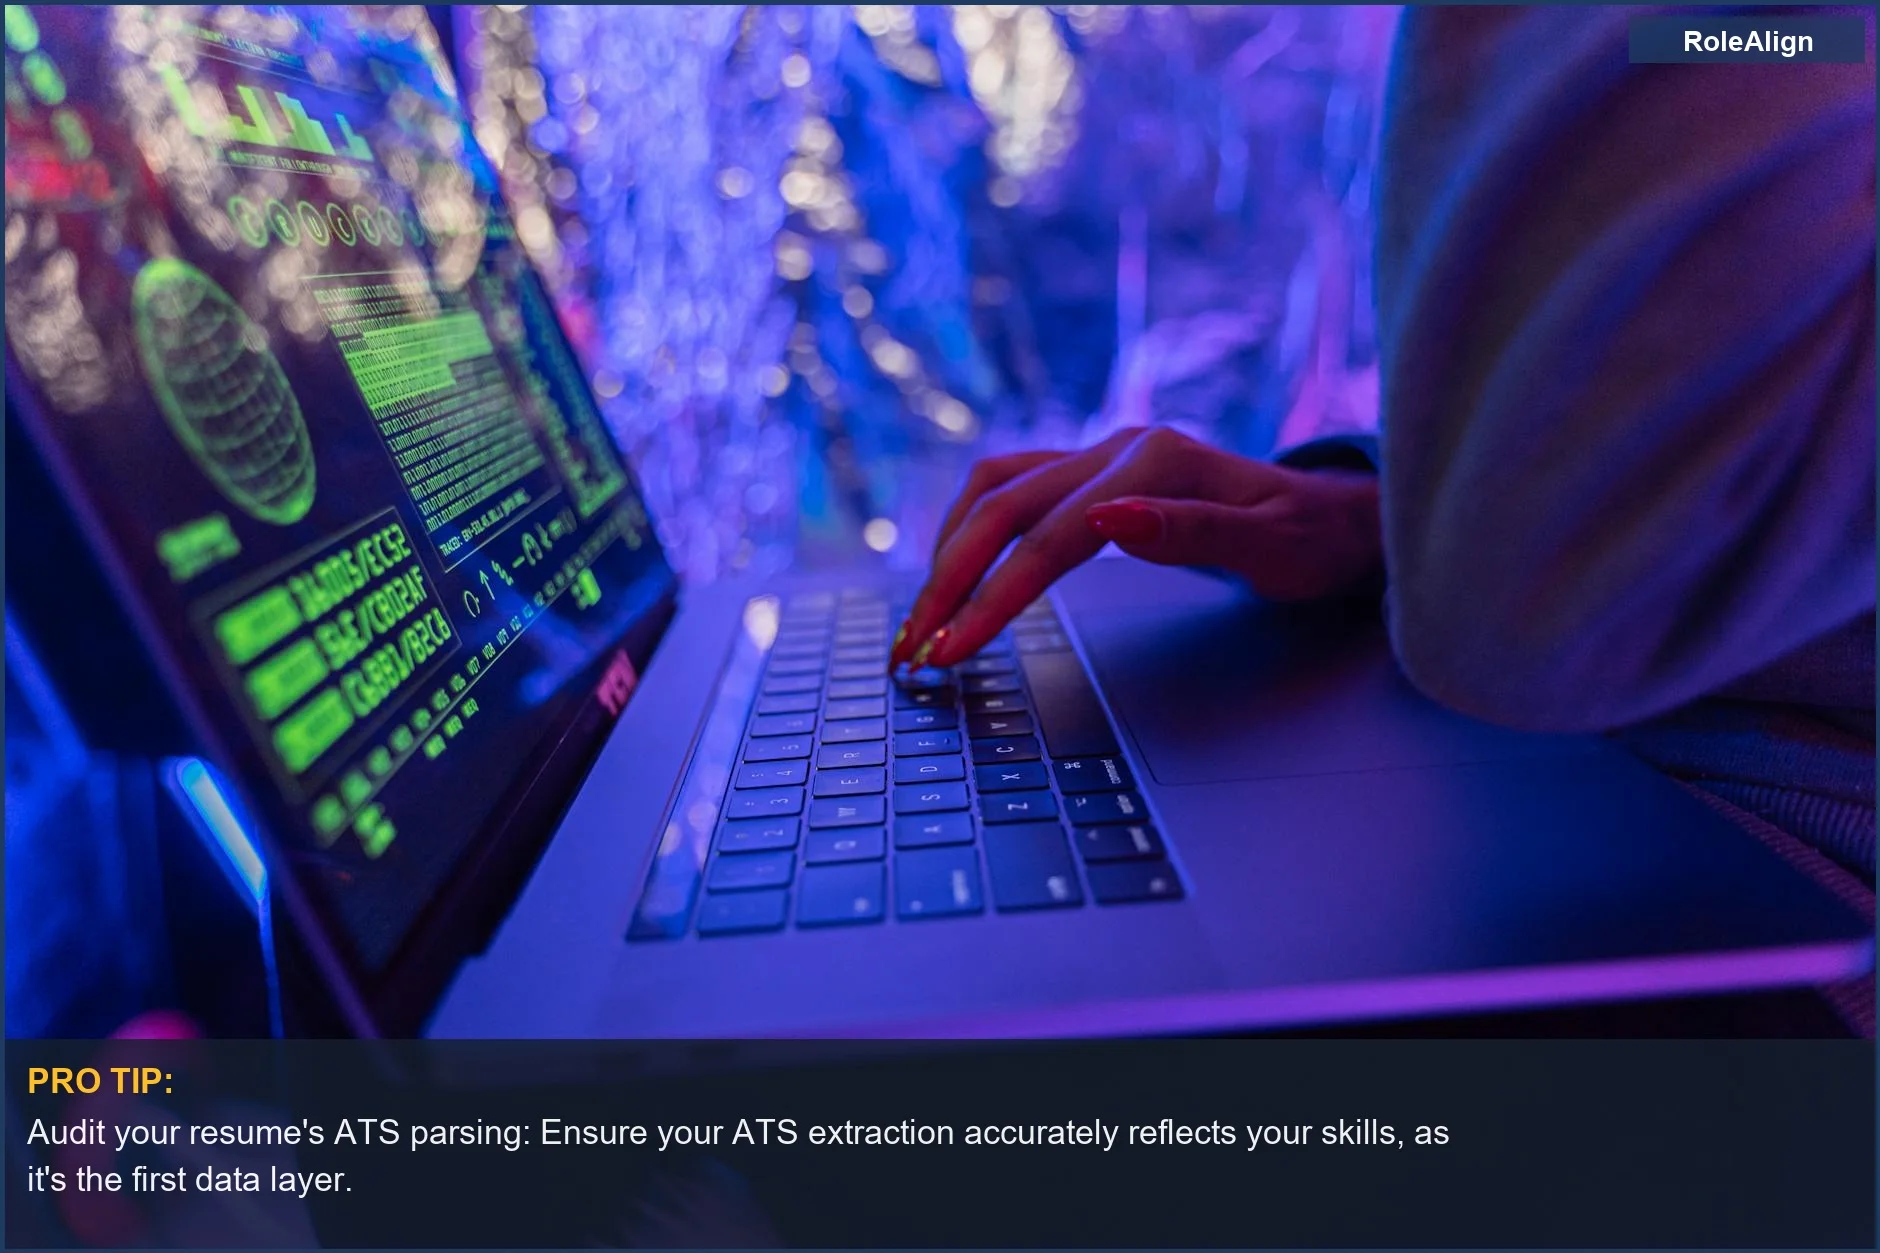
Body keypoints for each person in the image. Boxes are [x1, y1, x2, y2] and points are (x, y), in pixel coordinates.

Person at [890, 8, 1876, 948]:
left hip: (1798, 882)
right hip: (1616, 776)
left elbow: (1531, 621)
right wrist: (1389, 517)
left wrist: (1505, 545)